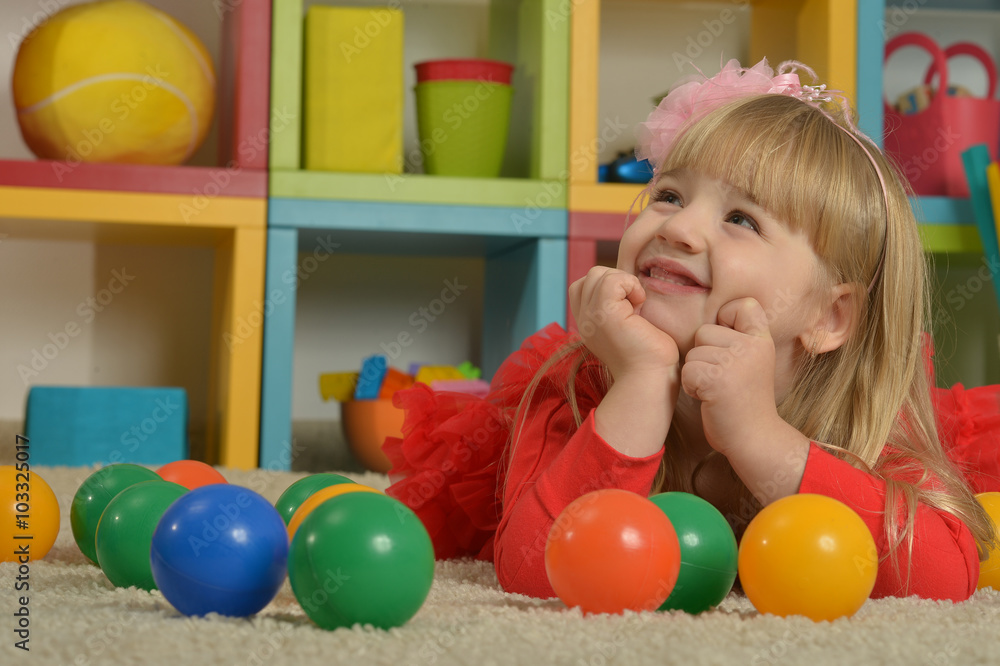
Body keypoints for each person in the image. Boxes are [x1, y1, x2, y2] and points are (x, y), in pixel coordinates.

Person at [384, 58, 1000, 603]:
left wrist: (758, 436)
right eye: (670, 195)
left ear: (828, 316)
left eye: (741, 218)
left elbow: (944, 579)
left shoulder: (861, 420)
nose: (678, 229)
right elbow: (533, 570)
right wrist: (643, 381)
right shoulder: (576, 389)